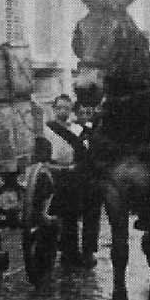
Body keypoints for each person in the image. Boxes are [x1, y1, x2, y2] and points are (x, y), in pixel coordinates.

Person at [44, 94, 100, 268]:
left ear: (70, 111)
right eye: (59, 107)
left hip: (76, 175)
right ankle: (70, 253)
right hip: (55, 174)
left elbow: (85, 155)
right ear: (54, 109)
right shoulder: (47, 130)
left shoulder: (77, 130)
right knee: (67, 216)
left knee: (85, 210)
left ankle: (87, 252)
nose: (62, 111)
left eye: (66, 108)